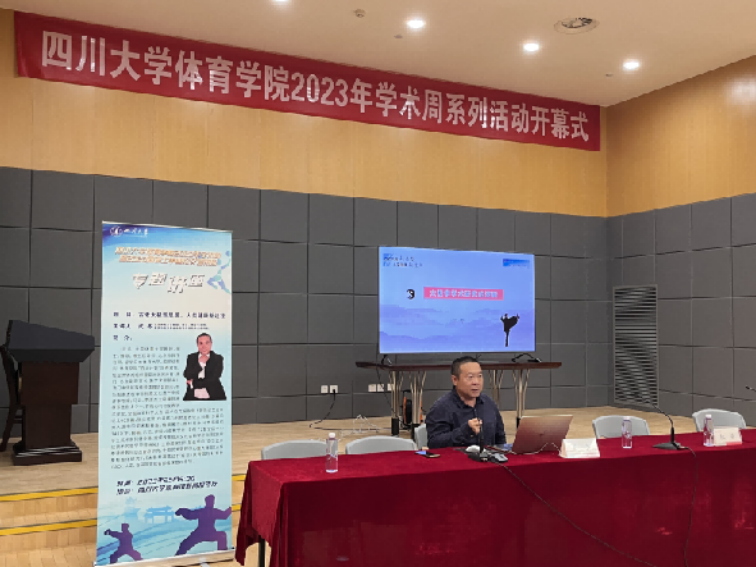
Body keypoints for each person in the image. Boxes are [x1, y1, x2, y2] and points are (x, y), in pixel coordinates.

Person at [425, 356, 506, 449]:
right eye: (470, 377)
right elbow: (434, 443)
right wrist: (464, 432)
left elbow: (500, 438)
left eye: (479, 376)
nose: (476, 382)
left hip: (489, 457)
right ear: (455, 380)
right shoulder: (440, 408)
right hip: (456, 458)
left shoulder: (489, 403)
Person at [183, 333, 227, 401]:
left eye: (207, 343)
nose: (204, 346)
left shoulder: (218, 358)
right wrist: (200, 364)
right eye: (201, 343)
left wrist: (193, 383)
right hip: (192, 395)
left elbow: (214, 378)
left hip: (213, 395)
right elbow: (187, 374)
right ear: (197, 345)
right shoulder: (191, 357)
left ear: (211, 344)